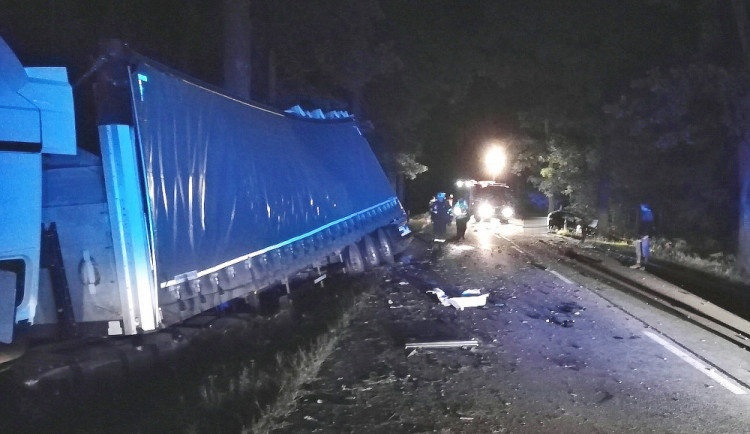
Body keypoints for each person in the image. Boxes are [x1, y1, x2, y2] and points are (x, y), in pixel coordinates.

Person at [631, 203, 654, 269]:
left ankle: (645, 266)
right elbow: (640, 225)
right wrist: (638, 234)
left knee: (644, 251)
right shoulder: (642, 214)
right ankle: (638, 264)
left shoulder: (648, 215)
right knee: (638, 249)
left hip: (645, 235)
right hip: (641, 235)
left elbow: (649, 226)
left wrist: (647, 235)